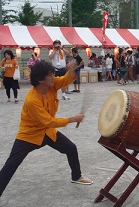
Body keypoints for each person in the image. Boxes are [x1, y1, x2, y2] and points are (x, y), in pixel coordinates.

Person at [0, 61, 93, 198]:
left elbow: (67, 79)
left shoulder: (52, 85)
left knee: (71, 148)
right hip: (29, 135)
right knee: (11, 164)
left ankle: (76, 176)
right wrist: (72, 119)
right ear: (40, 79)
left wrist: (72, 70)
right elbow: (48, 121)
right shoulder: (32, 100)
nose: (54, 77)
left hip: (48, 132)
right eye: (51, 75)